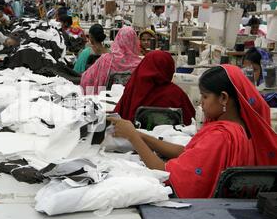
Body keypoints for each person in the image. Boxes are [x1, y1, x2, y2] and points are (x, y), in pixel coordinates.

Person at [108, 65, 277, 198]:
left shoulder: (221, 136)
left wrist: (132, 136)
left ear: (224, 98)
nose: (201, 103)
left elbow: (163, 171)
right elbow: (185, 152)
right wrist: (141, 136)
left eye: (204, 97)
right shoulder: (242, 127)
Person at [114, 50, 196, 126]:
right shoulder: (176, 94)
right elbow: (190, 121)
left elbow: (118, 115)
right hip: (166, 140)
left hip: (132, 137)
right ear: (169, 68)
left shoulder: (133, 87)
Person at [80, 26, 142, 94]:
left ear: (117, 39)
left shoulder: (106, 60)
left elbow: (86, 79)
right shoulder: (140, 64)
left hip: (107, 99)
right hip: (130, 100)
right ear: (135, 41)